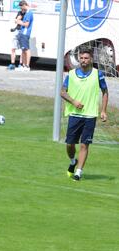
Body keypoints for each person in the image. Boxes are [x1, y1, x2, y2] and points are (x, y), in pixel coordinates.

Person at [60, 47, 108, 181]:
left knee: (84, 144)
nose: (83, 60)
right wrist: (73, 101)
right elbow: (62, 92)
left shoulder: (98, 74)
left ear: (91, 59)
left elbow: (105, 92)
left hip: (90, 115)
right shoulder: (71, 74)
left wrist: (103, 110)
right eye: (81, 58)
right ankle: (72, 161)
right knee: (70, 144)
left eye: (86, 58)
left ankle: (78, 172)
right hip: (75, 115)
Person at [15, 1, 34, 71]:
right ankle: (23, 65)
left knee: (26, 49)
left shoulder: (29, 13)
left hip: (25, 33)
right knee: (23, 50)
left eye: (21, 8)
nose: (21, 10)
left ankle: (27, 66)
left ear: (24, 5)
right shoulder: (26, 13)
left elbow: (26, 24)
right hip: (23, 33)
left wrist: (18, 21)